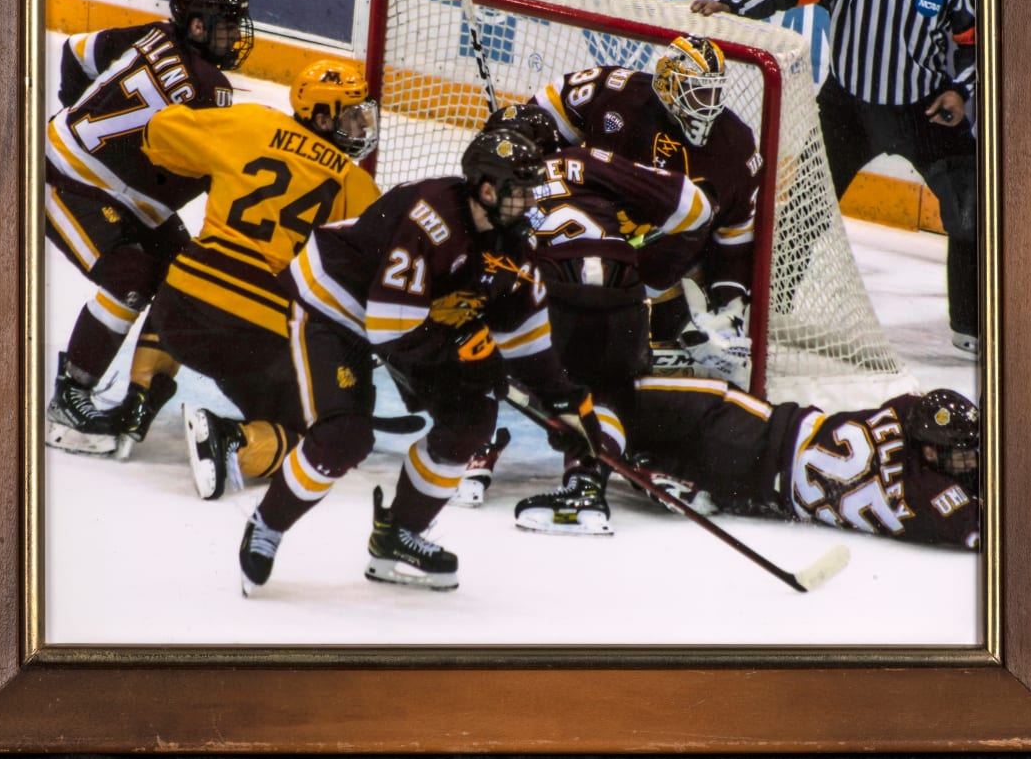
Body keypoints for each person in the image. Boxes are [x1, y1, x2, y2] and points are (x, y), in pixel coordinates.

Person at [234, 128, 604, 595]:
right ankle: (268, 524)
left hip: (411, 321)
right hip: (336, 304)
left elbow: (523, 336)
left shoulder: (512, 244)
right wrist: (465, 356)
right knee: (344, 437)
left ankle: (398, 536)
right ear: (487, 190)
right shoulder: (433, 219)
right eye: (520, 191)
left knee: (471, 419)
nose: (530, 202)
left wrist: (564, 400)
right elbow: (390, 330)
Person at [690, 0, 979, 352]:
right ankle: (768, 305)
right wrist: (733, 4)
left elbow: (975, 44)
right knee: (802, 210)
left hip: (925, 113)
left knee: (970, 211)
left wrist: (960, 91)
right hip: (849, 112)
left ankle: (970, 327)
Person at [111, 58, 382, 482]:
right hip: (253, 345)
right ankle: (232, 441)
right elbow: (369, 282)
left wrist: (216, 154)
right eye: (351, 116)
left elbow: (160, 130)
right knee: (322, 433)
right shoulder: (357, 185)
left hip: (178, 317)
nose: (361, 126)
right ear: (322, 118)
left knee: (188, 272)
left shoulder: (252, 123)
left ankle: (140, 397)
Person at [456, 103, 714, 536]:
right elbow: (697, 207)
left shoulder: (493, 185)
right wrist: (635, 233)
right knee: (606, 389)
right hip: (622, 298)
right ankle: (586, 483)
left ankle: (469, 451)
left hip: (548, 295)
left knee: (473, 337)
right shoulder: (586, 159)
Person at [44, 0, 253, 455]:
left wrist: (76, 111)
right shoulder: (212, 88)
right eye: (227, 26)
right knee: (132, 277)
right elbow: (215, 165)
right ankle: (70, 397)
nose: (236, 36)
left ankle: (142, 389)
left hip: (115, 190)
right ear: (197, 27)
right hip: (65, 181)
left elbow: (75, 53)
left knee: (189, 273)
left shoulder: (151, 34)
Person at [529, 33, 762, 388]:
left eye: (715, 93)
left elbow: (734, 241)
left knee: (643, 344)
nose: (710, 105)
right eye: (699, 93)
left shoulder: (735, 146)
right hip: (595, 247)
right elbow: (548, 107)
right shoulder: (618, 93)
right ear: (668, 85)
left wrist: (730, 309)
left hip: (664, 272)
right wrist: (521, 152)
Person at [621, 376, 980, 549]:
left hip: (762, 431)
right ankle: (659, 470)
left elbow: (918, 403)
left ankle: (613, 439)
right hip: (762, 491)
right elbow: (985, 531)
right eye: (957, 452)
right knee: (651, 438)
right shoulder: (929, 494)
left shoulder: (903, 412)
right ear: (927, 448)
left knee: (631, 399)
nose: (966, 460)